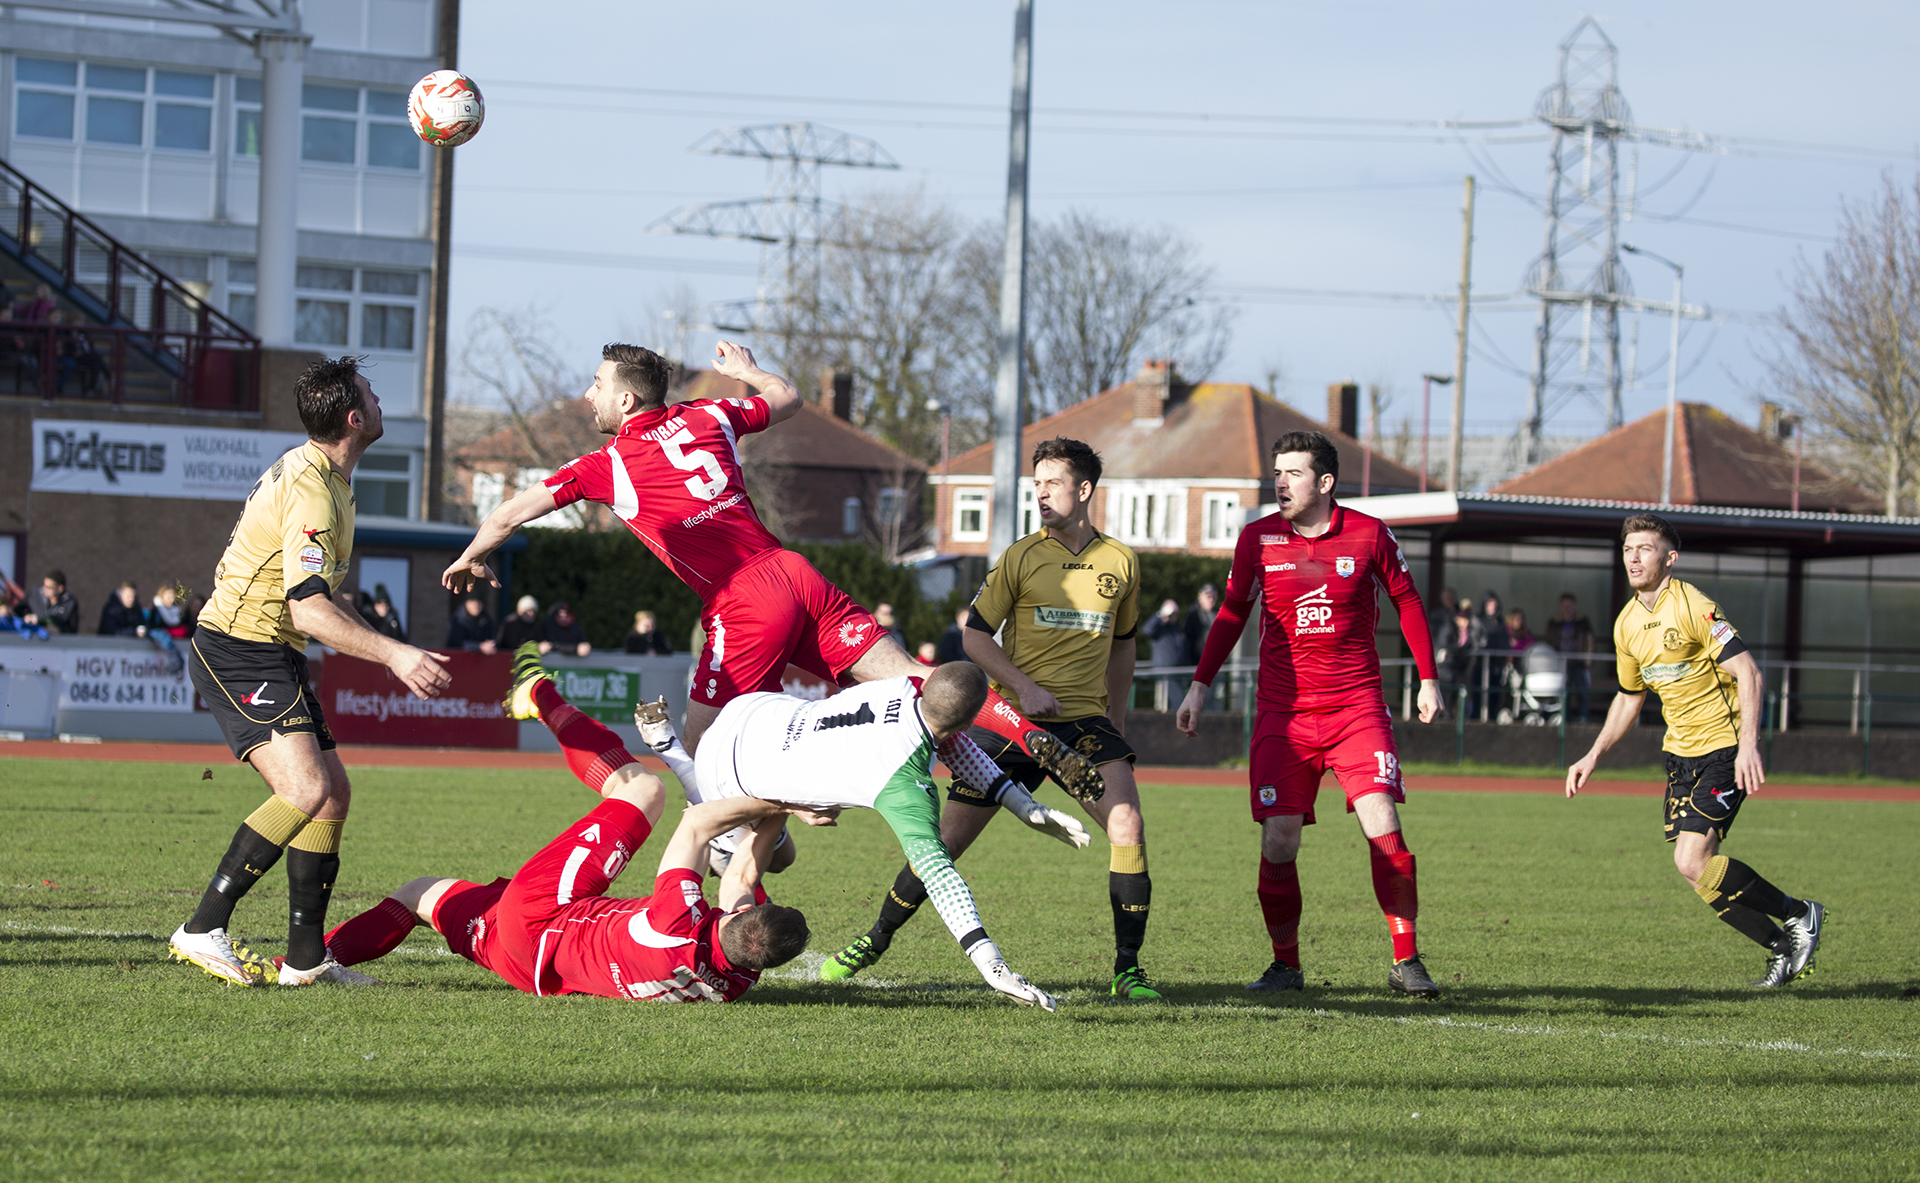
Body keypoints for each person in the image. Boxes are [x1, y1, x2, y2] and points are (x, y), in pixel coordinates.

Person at [444, 339, 1099, 801]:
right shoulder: (710, 414)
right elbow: (786, 398)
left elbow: (511, 511)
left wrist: (471, 553)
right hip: (794, 570)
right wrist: (750, 369)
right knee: (914, 678)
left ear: (626, 398)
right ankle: (1030, 732)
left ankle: (752, 851)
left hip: (742, 598)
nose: (588, 392)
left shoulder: (606, 463)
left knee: (699, 749)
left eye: (596, 384)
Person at [824, 437, 1164, 1001]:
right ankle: (874, 938)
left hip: (1084, 723)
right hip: (1010, 721)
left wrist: (1117, 721)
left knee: (1126, 824)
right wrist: (1026, 688)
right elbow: (974, 636)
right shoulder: (1021, 556)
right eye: (1038, 485)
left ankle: (1128, 970)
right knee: (944, 844)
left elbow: (1124, 648)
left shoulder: (1121, 562)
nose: (1043, 494)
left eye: (1053, 483)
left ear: (1084, 490)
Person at [167, 356, 452, 989]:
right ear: (356, 419)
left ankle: (305, 961)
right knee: (303, 789)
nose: (381, 402)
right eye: (374, 396)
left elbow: (319, 594)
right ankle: (202, 925)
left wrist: (385, 644)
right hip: (238, 646)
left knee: (332, 795)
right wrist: (395, 655)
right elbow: (309, 609)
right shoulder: (314, 489)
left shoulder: (330, 476)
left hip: (273, 650)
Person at [630, 655, 1075, 1009]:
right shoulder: (903, 784)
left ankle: (680, 753)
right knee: (752, 867)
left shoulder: (907, 686)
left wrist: (1023, 805)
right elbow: (939, 875)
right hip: (732, 775)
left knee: (777, 849)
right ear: (971, 719)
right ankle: (671, 750)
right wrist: (991, 965)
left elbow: (947, 734)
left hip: (755, 710)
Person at [312, 684, 811, 1000]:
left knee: (643, 790)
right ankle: (307, 962)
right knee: (418, 895)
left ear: (741, 919)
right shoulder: (738, 981)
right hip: (527, 964)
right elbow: (742, 876)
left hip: (547, 911)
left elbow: (697, 824)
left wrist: (782, 798)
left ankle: (540, 694)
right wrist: (779, 816)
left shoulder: (677, 917)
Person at [1176, 429, 1443, 1000]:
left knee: (1384, 824)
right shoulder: (1257, 539)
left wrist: (1427, 678)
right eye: (1278, 472)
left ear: (1324, 483)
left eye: (1293, 473)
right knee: (1279, 842)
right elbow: (1231, 614)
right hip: (1283, 716)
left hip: (1356, 709)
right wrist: (1199, 685)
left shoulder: (1369, 534)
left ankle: (1407, 959)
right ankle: (1285, 966)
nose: (1281, 482)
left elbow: (1408, 601)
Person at [1566, 513, 1823, 988]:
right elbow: (1629, 697)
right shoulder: (1626, 624)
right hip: (1679, 756)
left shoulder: (1696, 607)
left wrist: (1749, 746)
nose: (1634, 557)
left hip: (1723, 747)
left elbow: (1749, 672)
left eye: (1645, 548)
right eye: (1628, 549)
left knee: (1691, 859)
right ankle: (1781, 949)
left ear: (1670, 558)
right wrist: (1592, 755)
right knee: (1696, 873)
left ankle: (1799, 914)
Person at [1548, 593, 1596, 723]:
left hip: (1579, 662)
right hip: (1561, 663)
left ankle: (1583, 717)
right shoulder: (1555, 623)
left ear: (1574, 606)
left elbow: (1589, 640)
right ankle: (1565, 717)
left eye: (1570, 605)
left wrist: (1588, 660)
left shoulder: (1582, 622)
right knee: (1564, 692)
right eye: (1565, 606)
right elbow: (1550, 642)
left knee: (1582, 690)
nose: (1567, 608)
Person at [1141, 598, 1187, 711]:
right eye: (1171, 614)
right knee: (1166, 705)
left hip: (1177, 673)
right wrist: (1160, 615)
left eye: (1175, 613)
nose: (1173, 616)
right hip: (1163, 673)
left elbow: (1183, 651)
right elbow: (1146, 630)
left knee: (1176, 703)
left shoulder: (1177, 630)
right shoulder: (1158, 628)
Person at [1476, 591, 1510, 720]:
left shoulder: (1500, 623)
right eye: (1489, 604)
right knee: (1480, 694)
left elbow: (1505, 642)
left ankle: (1492, 716)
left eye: (1494, 605)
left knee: (1495, 694)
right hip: (1482, 665)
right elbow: (1477, 642)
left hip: (1498, 665)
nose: (1492, 608)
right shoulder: (1479, 621)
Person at [26, 570, 79, 634]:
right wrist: (26, 617)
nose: (44, 589)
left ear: (60, 589)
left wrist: (59, 630)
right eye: (44, 585)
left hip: (57, 641)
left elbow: (73, 630)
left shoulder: (70, 603)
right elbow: (18, 610)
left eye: (49, 587)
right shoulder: (35, 594)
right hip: (34, 637)